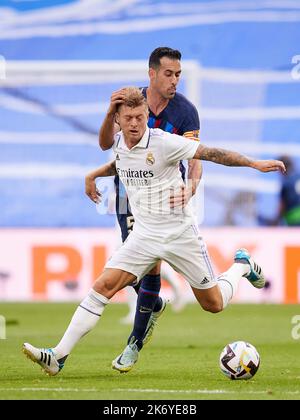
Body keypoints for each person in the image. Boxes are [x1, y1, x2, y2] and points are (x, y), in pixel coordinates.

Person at [23, 87, 285, 375]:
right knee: (102, 287)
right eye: (128, 118)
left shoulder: (164, 143)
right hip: (144, 235)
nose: (134, 123)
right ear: (118, 121)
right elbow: (113, 155)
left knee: (214, 304)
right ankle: (58, 356)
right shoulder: (120, 143)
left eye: (139, 117)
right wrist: (94, 173)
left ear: (147, 116)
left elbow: (211, 153)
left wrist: (253, 163)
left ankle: (240, 266)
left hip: (179, 234)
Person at [87, 48, 201, 344]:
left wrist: (192, 185)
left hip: (166, 196)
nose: (175, 80)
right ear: (152, 74)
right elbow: (104, 145)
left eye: (178, 74)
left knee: (149, 262)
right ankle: (155, 304)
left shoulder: (186, 112)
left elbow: (196, 157)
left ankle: (138, 333)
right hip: (127, 193)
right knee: (134, 259)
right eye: (169, 74)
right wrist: (108, 112)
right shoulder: (130, 102)